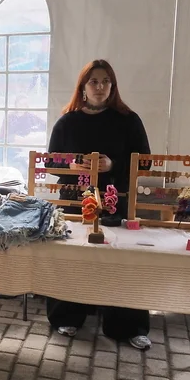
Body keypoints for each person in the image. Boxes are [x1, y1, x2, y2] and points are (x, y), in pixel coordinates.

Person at [46, 59, 152, 350]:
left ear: (113, 86)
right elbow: (52, 161)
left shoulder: (128, 120)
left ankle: (128, 326)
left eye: (106, 81)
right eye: (93, 81)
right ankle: (66, 316)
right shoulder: (67, 121)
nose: (100, 87)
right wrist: (73, 165)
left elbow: (145, 162)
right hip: (74, 201)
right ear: (83, 86)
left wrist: (113, 165)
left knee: (122, 260)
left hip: (116, 200)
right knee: (71, 258)